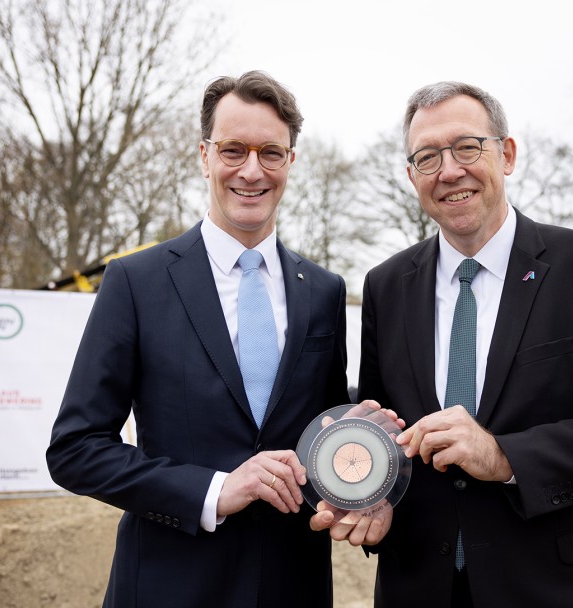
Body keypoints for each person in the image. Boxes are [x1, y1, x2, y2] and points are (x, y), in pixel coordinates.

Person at [313, 81, 573, 607]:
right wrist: (378, 495)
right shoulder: (386, 285)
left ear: (506, 154)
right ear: (411, 176)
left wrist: (504, 456)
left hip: (561, 588)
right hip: (421, 586)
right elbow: (389, 431)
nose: (449, 170)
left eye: (467, 147)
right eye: (427, 157)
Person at [47, 70, 352, 608]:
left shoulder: (325, 291)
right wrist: (213, 490)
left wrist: (360, 447)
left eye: (270, 153)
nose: (251, 171)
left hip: (294, 585)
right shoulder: (135, 282)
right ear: (204, 156)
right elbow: (75, 449)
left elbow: (321, 431)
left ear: (291, 162)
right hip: (172, 585)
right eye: (233, 150)